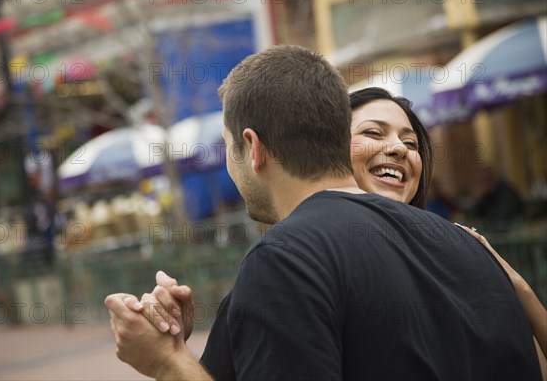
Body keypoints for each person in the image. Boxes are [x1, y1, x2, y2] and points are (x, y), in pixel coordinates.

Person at [105, 46, 542, 380]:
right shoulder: (475, 251)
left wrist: (166, 364)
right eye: (374, 131)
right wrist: (183, 350)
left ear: (253, 148)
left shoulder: (287, 261)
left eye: (227, 147)